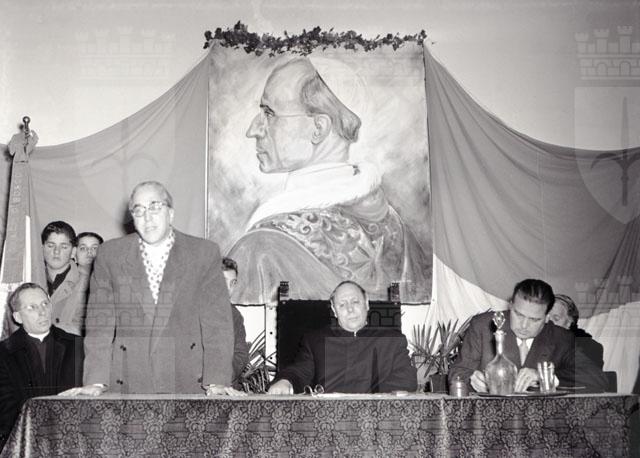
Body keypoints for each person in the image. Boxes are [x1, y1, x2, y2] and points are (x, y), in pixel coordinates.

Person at [228, 57, 431, 305]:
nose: (253, 130)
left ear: (319, 128)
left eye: (269, 113)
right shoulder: (398, 230)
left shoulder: (260, 249)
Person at [65, 181, 234, 396]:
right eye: (139, 210)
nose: (147, 217)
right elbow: (100, 325)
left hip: (189, 380)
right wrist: (96, 381)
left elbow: (217, 324)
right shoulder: (110, 254)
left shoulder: (203, 253)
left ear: (170, 213)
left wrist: (217, 380)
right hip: (129, 381)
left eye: (155, 207)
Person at [449, 279, 608, 393]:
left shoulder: (561, 338)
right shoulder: (483, 326)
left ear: (547, 317)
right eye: (518, 315)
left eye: (534, 319)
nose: (524, 325)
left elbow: (597, 379)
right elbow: (457, 373)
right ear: (511, 306)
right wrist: (471, 379)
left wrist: (544, 377)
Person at [268, 280, 417, 394]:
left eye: (355, 302)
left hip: (376, 415)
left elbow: (407, 380)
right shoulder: (315, 341)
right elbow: (299, 372)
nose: (350, 309)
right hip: (328, 416)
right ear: (334, 310)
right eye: (342, 305)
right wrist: (286, 381)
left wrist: (364, 397)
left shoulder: (392, 340)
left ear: (366, 304)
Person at [0, 283, 83, 449]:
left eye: (45, 304)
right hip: (22, 443)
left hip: (71, 442)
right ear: (17, 317)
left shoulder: (77, 346)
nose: (42, 312)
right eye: (32, 307)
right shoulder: (3, 354)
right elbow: (5, 411)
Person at [41, 221, 89, 336]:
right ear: (42, 248)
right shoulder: (29, 277)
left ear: (73, 252)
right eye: (51, 245)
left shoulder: (88, 285)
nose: (56, 251)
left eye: (64, 247)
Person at [548, 294, 604, 369]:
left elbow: (589, 375)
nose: (548, 322)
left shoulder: (590, 347)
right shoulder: (535, 340)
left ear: (569, 323)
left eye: (556, 319)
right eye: (546, 317)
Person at [222, 257, 250, 385]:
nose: (229, 289)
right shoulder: (190, 312)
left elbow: (240, 355)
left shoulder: (235, 316)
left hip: (226, 385)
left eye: (233, 283)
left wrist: (220, 378)